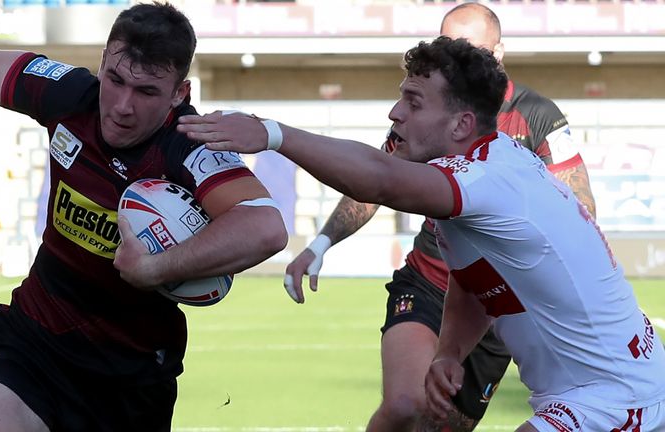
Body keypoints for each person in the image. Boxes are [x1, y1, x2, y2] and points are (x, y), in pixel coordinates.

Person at [178, 36, 665, 432]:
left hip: (616, 394)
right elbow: (476, 279)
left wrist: (271, 133)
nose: (395, 113)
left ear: (461, 125)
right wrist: (450, 351)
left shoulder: (482, 177)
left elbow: (379, 178)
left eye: (412, 102)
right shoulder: (490, 167)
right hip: (599, 386)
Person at [0, 2, 288, 431]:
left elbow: (265, 227)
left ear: (180, 94)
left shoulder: (191, 146)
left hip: (130, 377)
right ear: (102, 63)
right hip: (33, 342)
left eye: (146, 92)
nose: (121, 105)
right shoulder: (70, 94)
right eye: (115, 80)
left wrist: (157, 266)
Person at [288, 4, 599, 431]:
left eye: (469, 47)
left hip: (496, 303)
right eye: (448, 43)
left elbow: (581, 208)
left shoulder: (539, 115)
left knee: (442, 426)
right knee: (404, 405)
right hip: (431, 282)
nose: (456, 56)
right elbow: (379, 179)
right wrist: (321, 243)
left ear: (499, 52)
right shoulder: (425, 111)